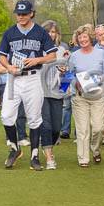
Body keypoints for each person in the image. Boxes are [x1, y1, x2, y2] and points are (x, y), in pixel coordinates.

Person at [0, 0, 57, 170]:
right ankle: (14, 149)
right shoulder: (10, 33)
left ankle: (34, 156)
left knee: (34, 118)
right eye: (18, 13)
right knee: (6, 115)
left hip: (33, 78)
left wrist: (38, 59)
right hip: (14, 79)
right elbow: (1, 56)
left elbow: (53, 56)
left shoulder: (40, 32)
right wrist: (8, 67)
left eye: (24, 13)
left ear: (31, 13)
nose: (21, 16)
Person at [67, 24, 104, 166]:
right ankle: (83, 158)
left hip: (98, 96)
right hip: (80, 97)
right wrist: (76, 83)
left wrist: (96, 79)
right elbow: (69, 74)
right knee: (83, 129)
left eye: (85, 37)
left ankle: (95, 149)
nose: (82, 40)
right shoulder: (74, 56)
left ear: (90, 37)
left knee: (98, 128)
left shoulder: (100, 53)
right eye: (80, 38)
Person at [39, 20, 70, 170]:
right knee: (46, 124)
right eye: (48, 31)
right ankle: (49, 157)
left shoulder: (62, 51)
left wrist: (64, 82)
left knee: (56, 128)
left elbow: (67, 74)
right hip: (41, 92)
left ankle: (47, 145)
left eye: (53, 32)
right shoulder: (39, 50)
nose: (51, 34)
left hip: (56, 92)